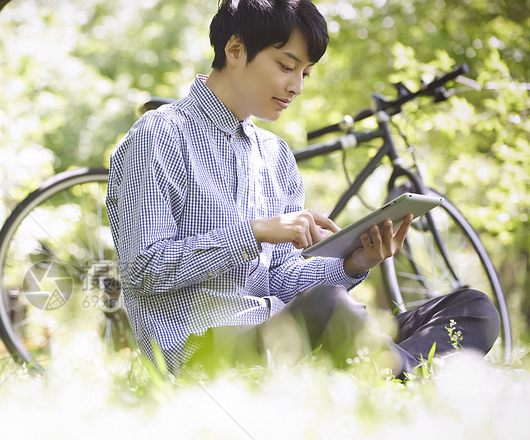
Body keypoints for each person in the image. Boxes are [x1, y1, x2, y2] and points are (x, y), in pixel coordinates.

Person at [105, 0, 500, 377]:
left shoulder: (275, 155)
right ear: (236, 49)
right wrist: (255, 232)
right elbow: (143, 270)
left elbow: (282, 282)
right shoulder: (158, 135)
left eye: (305, 73)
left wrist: (353, 263)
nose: (297, 87)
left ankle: (396, 368)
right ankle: (412, 374)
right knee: (328, 307)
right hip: (205, 351)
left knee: (474, 307)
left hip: (287, 333)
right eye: (286, 66)